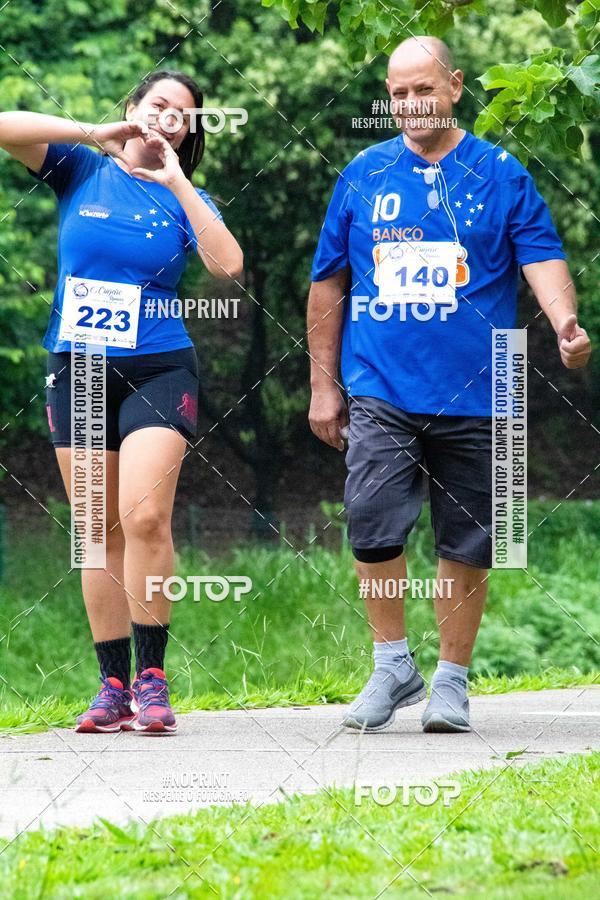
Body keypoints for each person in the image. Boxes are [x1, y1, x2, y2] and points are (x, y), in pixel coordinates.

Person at [307, 37, 591, 733]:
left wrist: (566, 323)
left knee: (468, 542)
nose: (409, 104)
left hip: (482, 387)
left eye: (422, 90)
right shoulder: (364, 174)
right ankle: (391, 665)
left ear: (455, 85)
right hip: (380, 384)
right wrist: (324, 386)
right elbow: (327, 285)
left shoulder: (501, 173)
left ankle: (453, 683)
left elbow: (543, 258)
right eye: (397, 94)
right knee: (373, 521)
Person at [0, 70, 243, 734]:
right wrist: (91, 132)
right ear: (133, 108)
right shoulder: (79, 170)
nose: (166, 118)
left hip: (160, 370)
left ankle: (152, 676)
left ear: (189, 132)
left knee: (144, 517)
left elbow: (228, 266)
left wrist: (178, 182)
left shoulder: (189, 196)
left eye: (182, 115)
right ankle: (111, 687)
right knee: (95, 528)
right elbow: (3, 125)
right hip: (77, 369)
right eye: (156, 105)